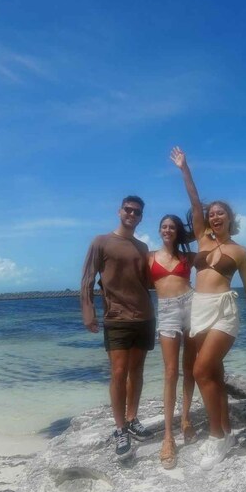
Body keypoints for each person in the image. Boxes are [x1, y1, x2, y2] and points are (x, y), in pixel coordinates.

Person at [170, 146, 246, 471]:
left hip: (224, 310)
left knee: (200, 370)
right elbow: (194, 200)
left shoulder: (240, 251)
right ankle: (226, 430)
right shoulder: (202, 238)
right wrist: (185, 168)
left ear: (229, 218)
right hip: (199, 308)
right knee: (214, 373)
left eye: (220, 213)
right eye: (211, 213)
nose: (214, 216)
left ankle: (216, 437)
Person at [80, 195, 157, 461]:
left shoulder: (142, 246)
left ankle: (132, 418)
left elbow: (148, 282)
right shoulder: (101, 242)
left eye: (137, 212)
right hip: (116, 317)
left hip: (144, 316)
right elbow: (88, 278)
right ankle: (120, 428)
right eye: (128, 210)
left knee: (137, 371)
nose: (132, 214)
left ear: (141, 217)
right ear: (119, 211)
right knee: (118, 372)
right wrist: (88, 311)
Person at [149, 214, 198, 470]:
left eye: (172, 227)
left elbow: (216, 261)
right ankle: (168, 437)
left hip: (191, 305)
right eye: (164, 226)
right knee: (170, 372)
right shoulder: (149, 257)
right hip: (167, 310)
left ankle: (186, 419)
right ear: (159, 230)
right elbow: (125, 276)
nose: (167, 230)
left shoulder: (188, 257)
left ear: (177, 232)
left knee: (190, 368)